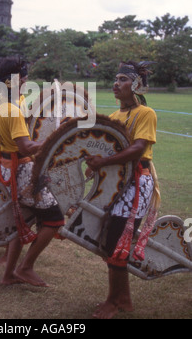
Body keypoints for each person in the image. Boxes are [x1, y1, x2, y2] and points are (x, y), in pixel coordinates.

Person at [86, 61, 160, 319]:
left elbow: (138, 149)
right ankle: (123, 298)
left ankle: (113, 301)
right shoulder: (115, 118)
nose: (116, 84)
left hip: (137, 184)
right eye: (115, 79)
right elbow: (107, 150)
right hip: (116, 183)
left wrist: (103, 162)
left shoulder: (146, 114)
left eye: (123, 79)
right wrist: (94, 166)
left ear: (136, 85)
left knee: (117, 240)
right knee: (110, 240)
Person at [0, 57, 65, 287]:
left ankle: (8, 275)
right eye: (24, 79)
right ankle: (25, 268)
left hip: (8, 167)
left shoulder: (1, 105)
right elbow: (26, 147)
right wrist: (54, 138)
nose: (26, 83)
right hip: (21, 171)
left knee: (22, 221)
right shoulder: (12, 110)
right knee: (55, 219)